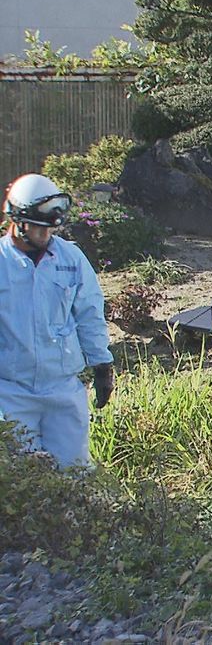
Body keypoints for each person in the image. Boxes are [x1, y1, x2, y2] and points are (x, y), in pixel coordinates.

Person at [0, 173, 113, 467]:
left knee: (74, 475)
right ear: (18, 221)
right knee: (21, 479)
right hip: (10, 393)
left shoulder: (70, 259)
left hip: (62, 389)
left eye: (51, 229)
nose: (46, 235)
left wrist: (102, 364)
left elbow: (89, 313)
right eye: (40, 228)